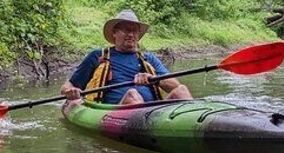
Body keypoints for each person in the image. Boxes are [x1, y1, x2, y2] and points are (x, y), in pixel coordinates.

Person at [60, 10, 192, 105]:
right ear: (114, 33)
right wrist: (71, 91)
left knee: (182, 90)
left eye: (134, 31)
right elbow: (67, 86)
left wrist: (153, 79)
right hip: (118, 112)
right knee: (132, 94)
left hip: (154, 111)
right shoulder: (98, 56)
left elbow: (174, 86)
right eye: (126, 30)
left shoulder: (148, 59)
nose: (131, 34)